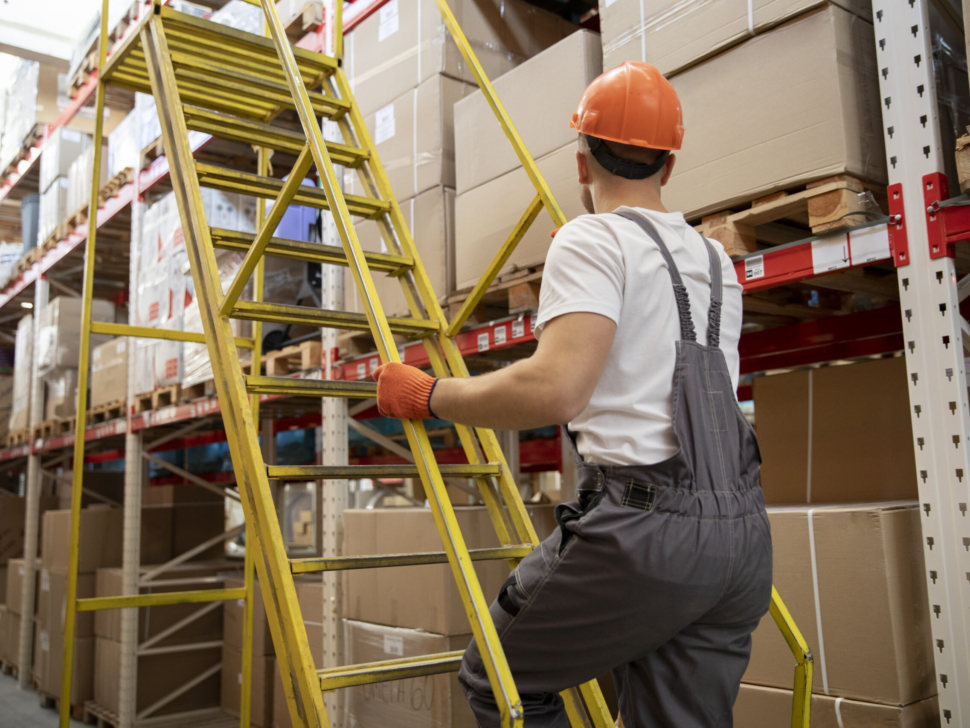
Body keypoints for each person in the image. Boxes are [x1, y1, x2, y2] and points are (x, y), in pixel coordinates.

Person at [372, 61, 772, 728]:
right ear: (669, 164)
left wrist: (431, 394)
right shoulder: (716, 262)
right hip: (742, 538)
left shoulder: (591, 238)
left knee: (498, 681)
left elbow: (554, 388)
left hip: (647, 534)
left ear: (581, 162)